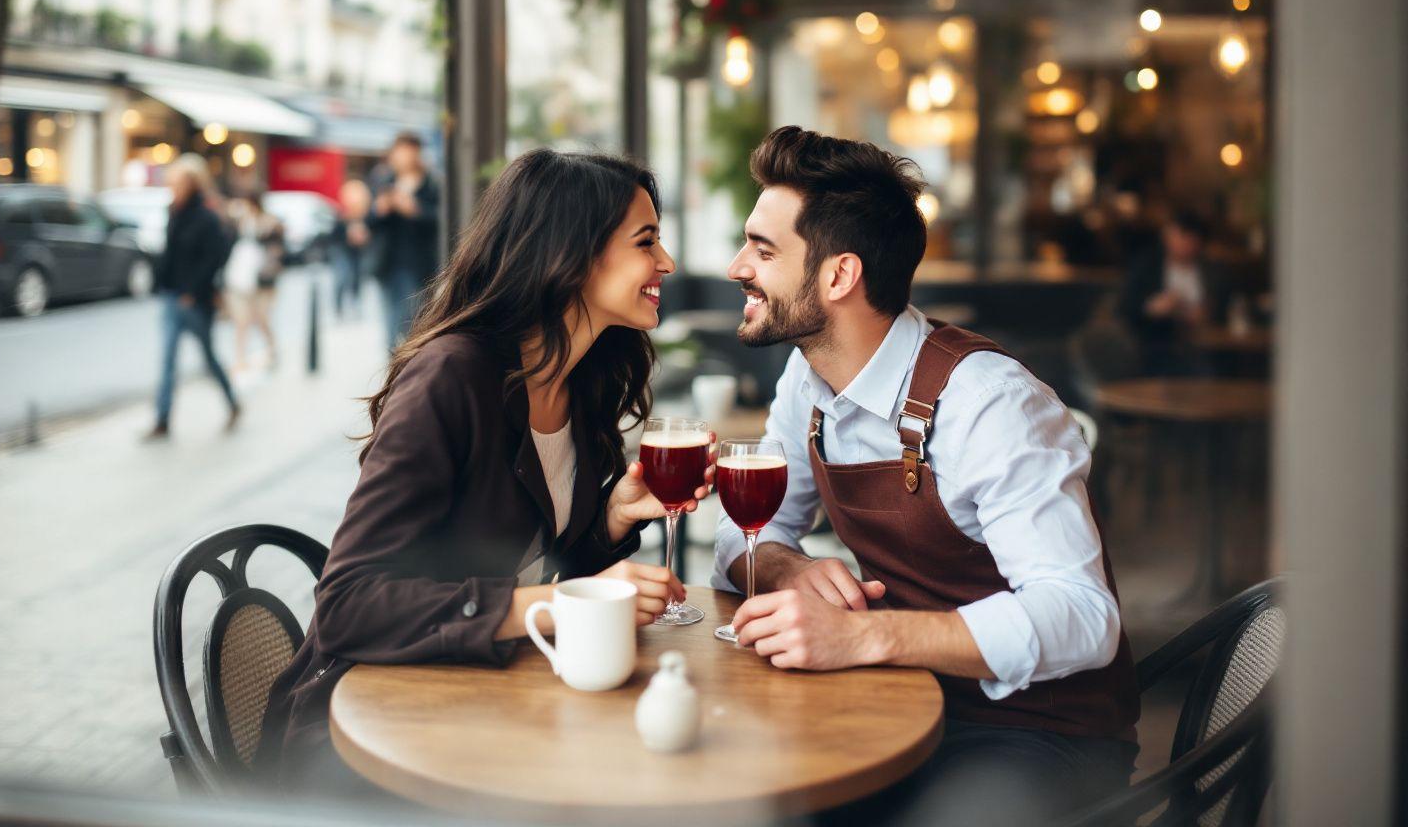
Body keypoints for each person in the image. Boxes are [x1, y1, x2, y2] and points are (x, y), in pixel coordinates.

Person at [709, 127, 1140, 825]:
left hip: (1042, 734)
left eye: (763, 250)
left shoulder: (991, 403)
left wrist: (864, 638)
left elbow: (1085, 619)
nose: (737, 266)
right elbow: (742, 534)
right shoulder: (808, 378)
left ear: (838, 276)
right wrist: (787, 569)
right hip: (901, 699)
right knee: (752, 798)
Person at [257, 149, 715, 794]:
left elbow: (532, 566)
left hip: (488, 706)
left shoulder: (579, 380)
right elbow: (347, 607)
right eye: (647, 242)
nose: (666, 262)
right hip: (368, 737)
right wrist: (555, 605)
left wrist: (609, 519)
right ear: (573, 253)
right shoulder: (452, 377)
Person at [145, 154, 240, 441]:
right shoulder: (173, 211)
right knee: (167, 361)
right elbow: (170, 253)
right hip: (171, 297)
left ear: (193, 183)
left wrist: (193, 290)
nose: (174, 187)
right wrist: (160, 281)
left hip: (196, 301)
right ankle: (162, 420)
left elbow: (216, 258)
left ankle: (233, 402)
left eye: (179, 182)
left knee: (208, 358)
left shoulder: (207, 217)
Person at [1116, 209, 1229, 374]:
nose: (1185, 243)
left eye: (1191, 238)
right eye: (1180, 235)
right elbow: (1124, 308)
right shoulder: (1146, 267)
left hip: (1206, 347)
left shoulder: (1213, 272)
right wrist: (1152, 308)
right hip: (1155, 346)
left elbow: (1226, 308)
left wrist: (1207, 314)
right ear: (1167, 235)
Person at [367, 132, 441, 350]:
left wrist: (414, 209)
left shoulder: (432, 183)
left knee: (411, 324)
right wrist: (380, 210)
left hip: (417, 265)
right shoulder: (384, 181)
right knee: (390, 326)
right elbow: (370, 222)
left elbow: (441, 220)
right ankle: (394, 371)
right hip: (387, 264)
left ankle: (407, 370)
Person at [223, 193, 285, 373]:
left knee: (261, 318)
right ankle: (240, 358)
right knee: (241, 320)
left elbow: (277, 252)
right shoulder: (241, 221)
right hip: (241, 275)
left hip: (262, 279)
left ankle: (272, 348)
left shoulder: (271, 223)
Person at [330, 179, 371, 320]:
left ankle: (355, 303)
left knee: (357, 277)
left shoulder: (365, 216)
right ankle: (338, 307)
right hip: (341, 249)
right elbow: (333, 234)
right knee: (342, 276)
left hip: (357, 251)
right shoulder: (340, 214)